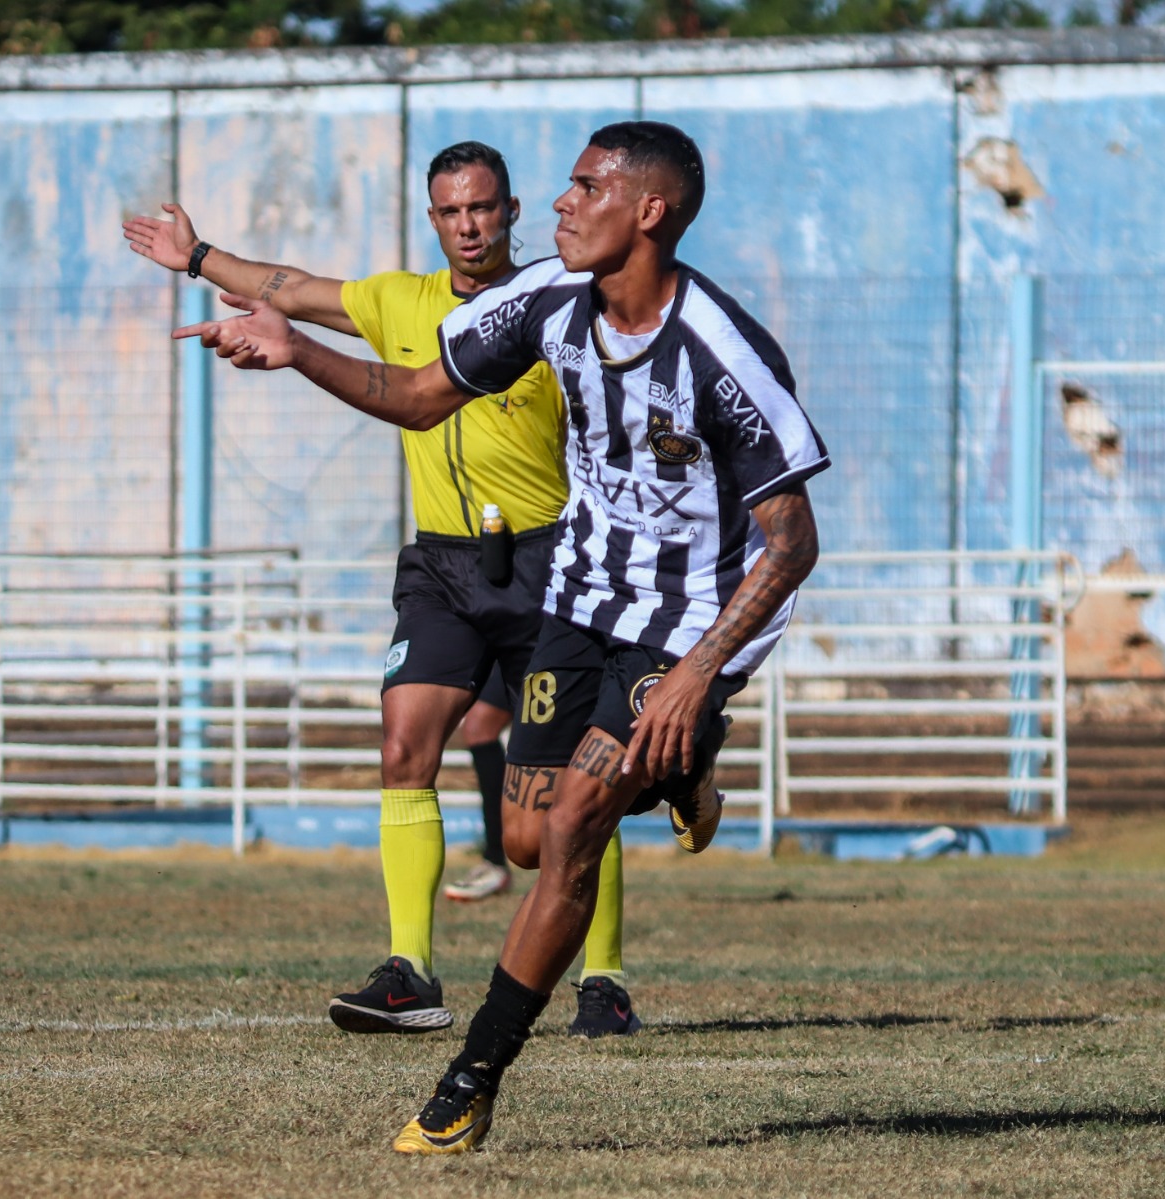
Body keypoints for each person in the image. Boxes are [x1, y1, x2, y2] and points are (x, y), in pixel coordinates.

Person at [172, 120, 827, 1154]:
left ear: (647, 211)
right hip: (576, 597)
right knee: (523, 841)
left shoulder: (722, 351)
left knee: (569, 831)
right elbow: (420, 397)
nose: (558, 205)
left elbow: (790, 545)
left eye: (582, 187)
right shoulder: (544, 305)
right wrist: (297, 350)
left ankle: (469, 1078)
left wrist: (696, 678)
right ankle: (682, 773)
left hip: (686, 622)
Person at [125, 141, 643, 1039]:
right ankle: (410, 971)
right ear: (434, 218)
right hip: (441, 565)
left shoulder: (556, 305)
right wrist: (200, 256)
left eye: (483, 207)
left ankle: (604, 979)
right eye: (451, 211)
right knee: (404, 744)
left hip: (549, 561)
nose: (469, 224)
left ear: (513, 211)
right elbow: (293, 287)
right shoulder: (399, 300)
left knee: (570, 784)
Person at [442, 667, 512, 902]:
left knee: (565, 732)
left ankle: (571, 867)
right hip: (525, 639)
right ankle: (494, 861)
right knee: (479, 726)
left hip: (558, 639)